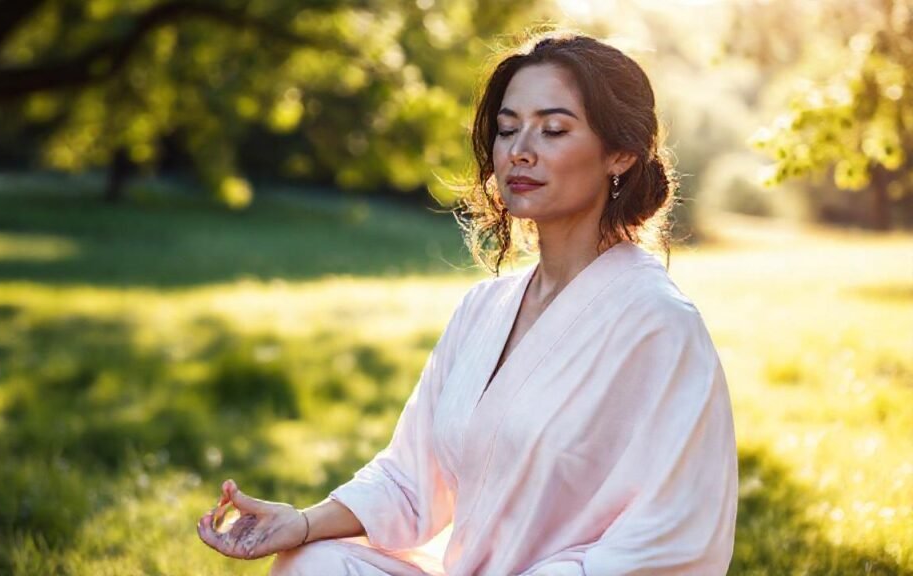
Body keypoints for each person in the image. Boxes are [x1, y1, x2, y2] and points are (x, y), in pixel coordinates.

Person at [196, 31, 738, 575]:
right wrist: (304, 521)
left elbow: (671, 536)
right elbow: (411, 477)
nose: (519, 150)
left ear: (618, 153)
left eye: (552, 129)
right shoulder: (485, 307)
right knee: (312, 563)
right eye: (507, 129)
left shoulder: (659, 323)